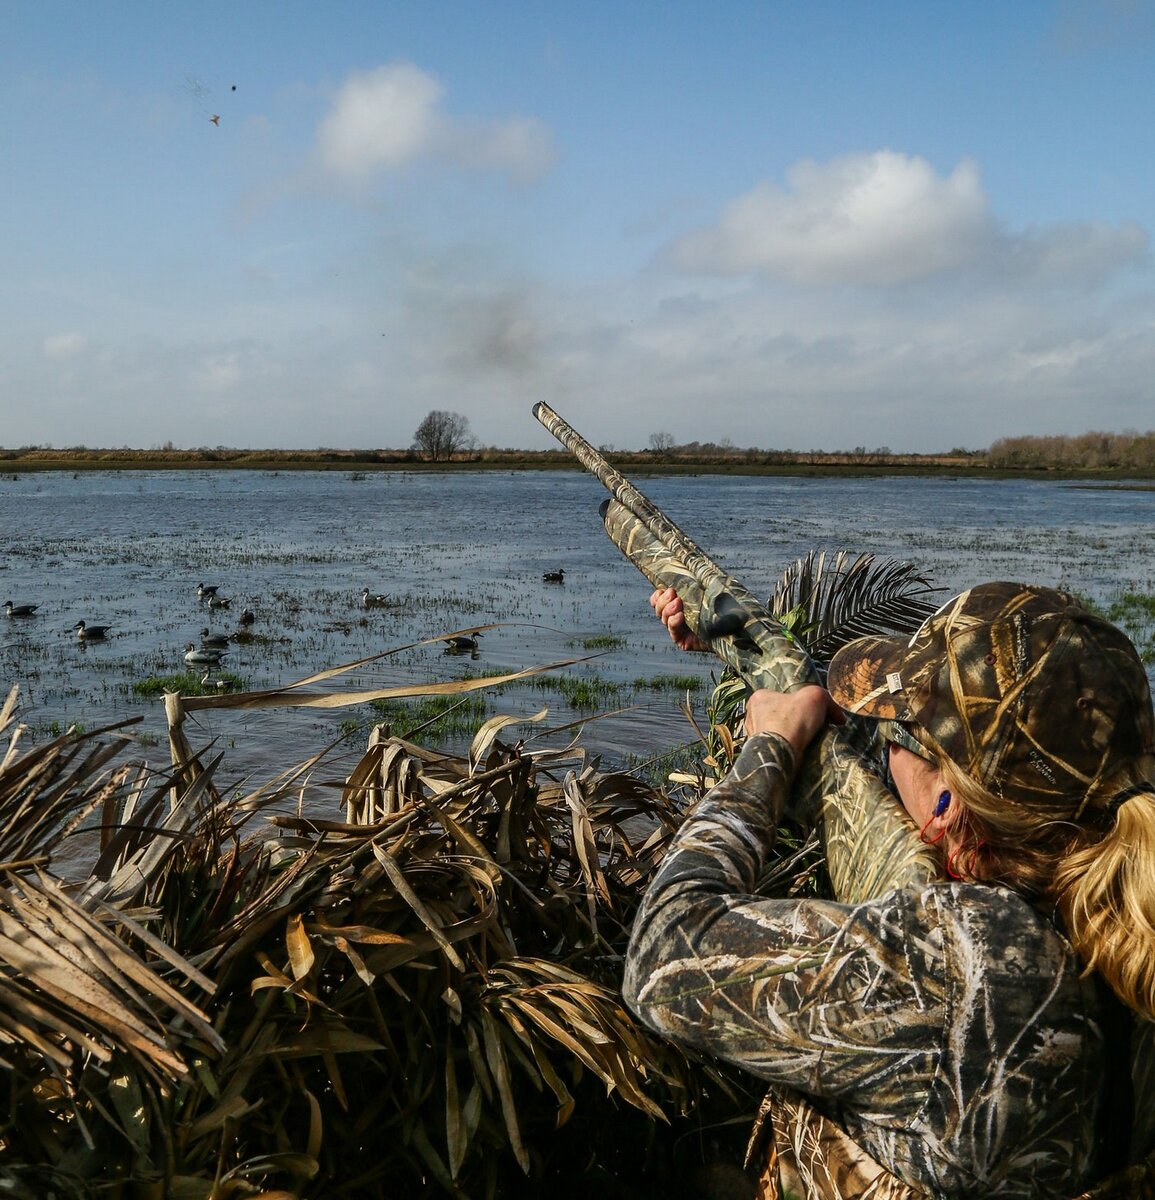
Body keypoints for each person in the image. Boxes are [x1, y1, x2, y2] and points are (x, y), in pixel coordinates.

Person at [623, 581, 1155, 1199]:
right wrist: (739, 645)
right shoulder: (1127, 892)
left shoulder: (953, 964)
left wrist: (771, 746)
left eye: (891, 730)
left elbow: (662, 950)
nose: (879, 736)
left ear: (949, 809)